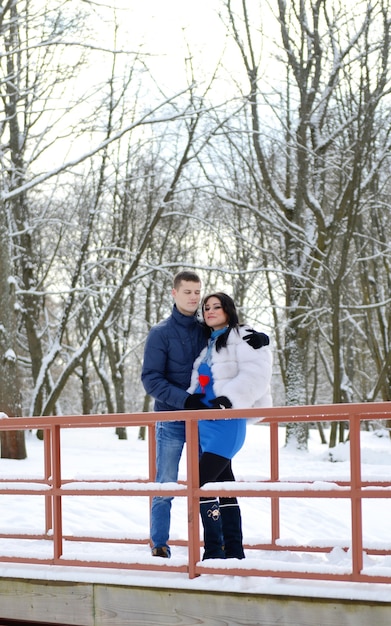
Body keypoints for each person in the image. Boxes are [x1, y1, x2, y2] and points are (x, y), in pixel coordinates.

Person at [141, 271, 270, 558]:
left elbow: (237, 341)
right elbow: (151, 379)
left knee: (208, 484)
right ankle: (160, 544)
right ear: (174, 294)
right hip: (175, 418)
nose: (196, 298)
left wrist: (256, 337)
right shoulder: (162, 333)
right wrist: (186, 401)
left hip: (213, 421)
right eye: (188, 292)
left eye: (197, 292)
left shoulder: (211, 331)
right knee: (170, 483)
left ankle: (219, 549)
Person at [186, 292, 273, 560]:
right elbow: (203, 381)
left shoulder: (243, 336)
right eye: (207, 307)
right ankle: (234, 550)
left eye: (217, 307)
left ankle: (213, 550)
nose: (211, 311)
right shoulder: (207, 344)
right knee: (223, 485)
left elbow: (257, 373)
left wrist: (229, 398)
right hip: (205, 426)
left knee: (200, 483)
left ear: (228, 310)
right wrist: (192, 399)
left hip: (227, 423)